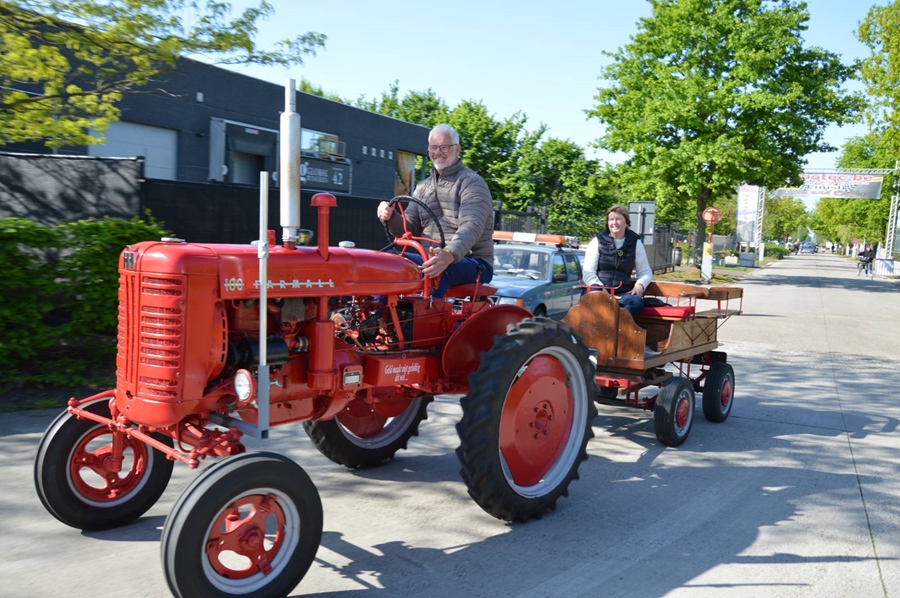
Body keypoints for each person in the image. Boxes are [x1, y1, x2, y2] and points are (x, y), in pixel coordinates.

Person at [376, 124, 493, 298]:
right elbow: (408, 228)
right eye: (433, 147)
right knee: (385, 260)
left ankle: (426, 313)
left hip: (473, 261)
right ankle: (375, 312)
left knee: (435, 269)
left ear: (457, 149)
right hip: (429, 256)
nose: (438, 152)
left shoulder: (472, 183)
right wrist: (391, 216)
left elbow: (471, 226)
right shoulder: (423, 187)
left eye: (444, 147)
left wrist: (449, 254)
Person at [582, 204, 653, 319]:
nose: (614, 222)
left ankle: (618, 324)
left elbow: (645, 271)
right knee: (594, 295)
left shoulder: (635, 243)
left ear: (626, 223)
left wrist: (640, 285)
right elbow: (588, 272)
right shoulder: (597, 241)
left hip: (621, 294)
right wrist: (604, 293)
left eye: (618, 219)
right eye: (611, 219)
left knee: (637, 302)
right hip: (599, 290)